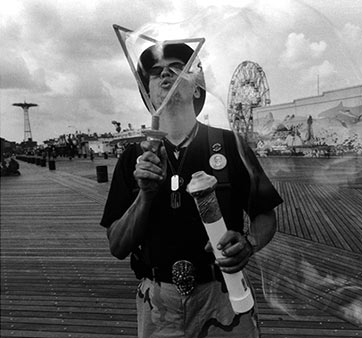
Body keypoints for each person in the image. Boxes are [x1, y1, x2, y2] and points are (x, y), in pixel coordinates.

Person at [100, 42, 282, 338]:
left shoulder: (230, 145)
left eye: (177, 69)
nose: (166, 76)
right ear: (149, 95)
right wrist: (144, 195)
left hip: (224, 292)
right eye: (156, 73)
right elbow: (117, 246)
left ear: (197, 88)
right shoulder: (133, 157)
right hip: (158, 302)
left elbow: (266, 216)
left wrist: (248, 243)